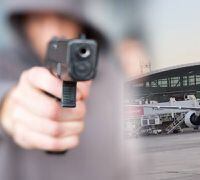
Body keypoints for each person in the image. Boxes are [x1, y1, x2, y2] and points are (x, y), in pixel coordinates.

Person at [0, 0, 134, 179]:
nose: (53, 30)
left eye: (62, 18)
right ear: (24, 23)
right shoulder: (5, 64)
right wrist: (7, 105)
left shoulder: (109, 75)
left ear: (79, 23)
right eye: (39, 20)